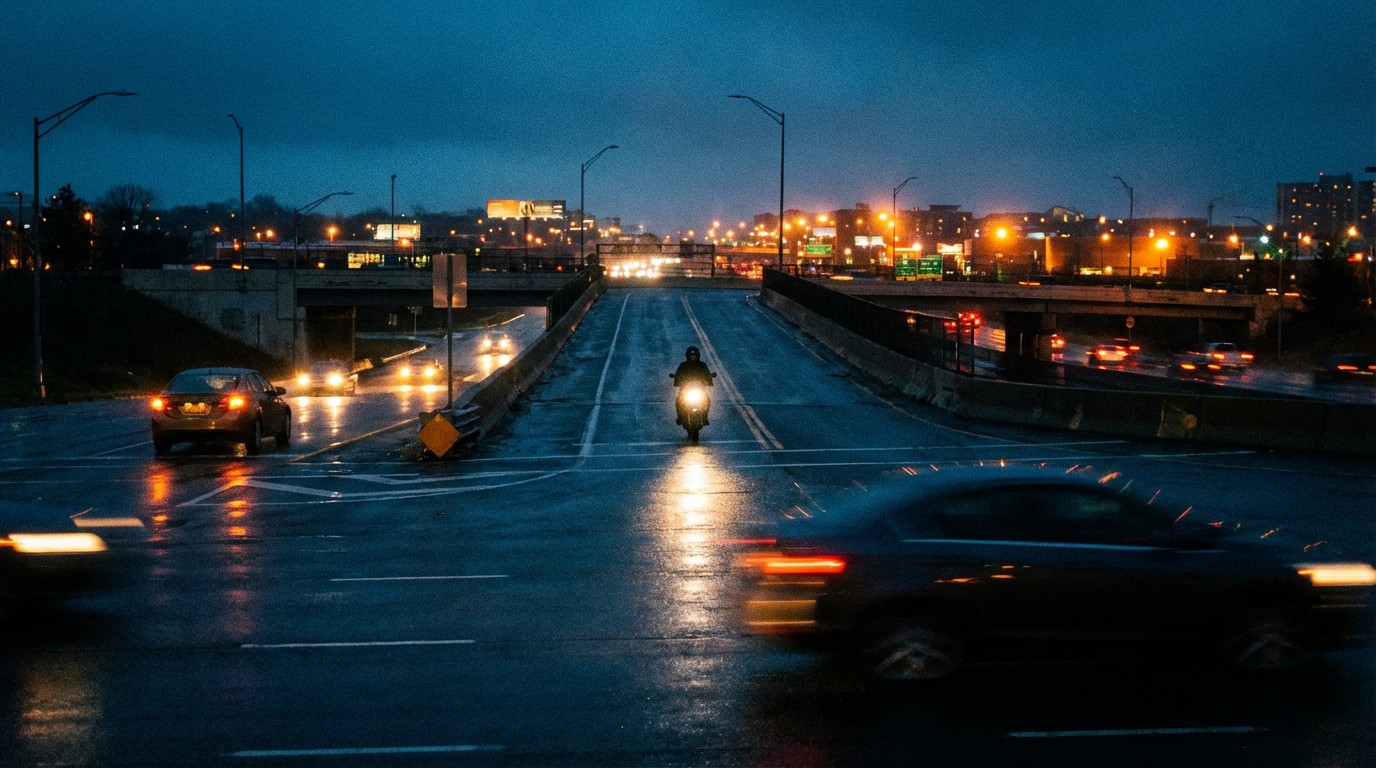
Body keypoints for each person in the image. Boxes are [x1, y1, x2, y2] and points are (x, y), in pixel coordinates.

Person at [671, 346, 715, 425]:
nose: (692, 357)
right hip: (685, 389)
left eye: (694, 355)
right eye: (691, 355)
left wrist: (709, 379)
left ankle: (704, 417)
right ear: (687, 356)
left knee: (707, 400)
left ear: (697, 355)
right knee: (678, 401)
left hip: (699, 389)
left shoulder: (702, 365)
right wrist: (676, 380)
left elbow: (707, 375)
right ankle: (680, 417)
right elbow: (678, 375)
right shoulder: (683, 365)